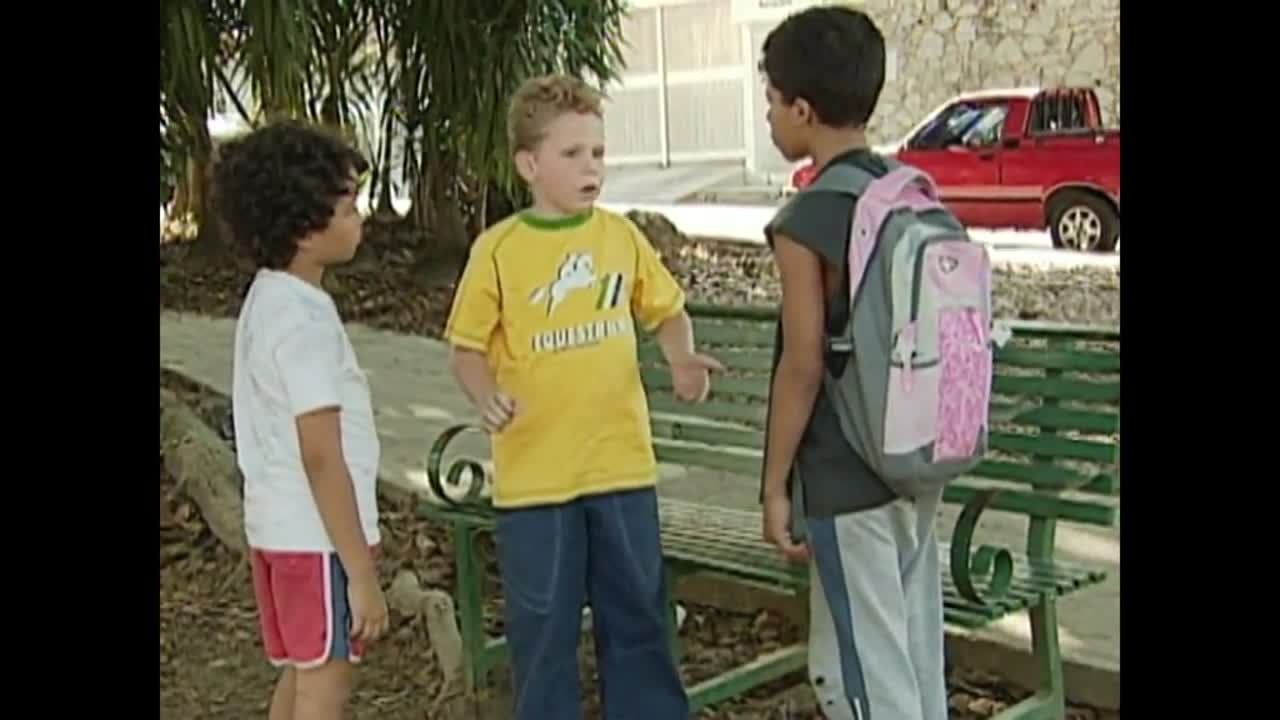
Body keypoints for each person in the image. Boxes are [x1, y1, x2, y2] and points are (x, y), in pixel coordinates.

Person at [443, 73, 721, 720]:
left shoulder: (620, 239)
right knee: (544, 626)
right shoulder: (498, 251)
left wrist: (681, 357)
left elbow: (667, 312)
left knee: (638, 614)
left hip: (620, 469)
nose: (591, 166)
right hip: (535, 481)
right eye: (571, 154)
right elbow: (465, 348)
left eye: (597, 152)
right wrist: (485, 395)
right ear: (529, 165)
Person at [756, 7, 949, 720]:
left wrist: (774, 486)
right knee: (915, 659)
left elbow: (802, 364)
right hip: (914, 461)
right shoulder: (910, 194)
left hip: (845, 479)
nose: (769, 117)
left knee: (858, 671)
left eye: (772, 102)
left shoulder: (808, 219)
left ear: (803, 111)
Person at [215, 119, 390, 720]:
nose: (359, 219)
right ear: (305, 227)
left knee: (301, 672)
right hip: (319, 542)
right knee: (324, 689)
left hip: (280, 533)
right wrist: (360, 572)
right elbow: (320, 453)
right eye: (348, 207)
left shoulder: (268, 300)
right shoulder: (304, 323)